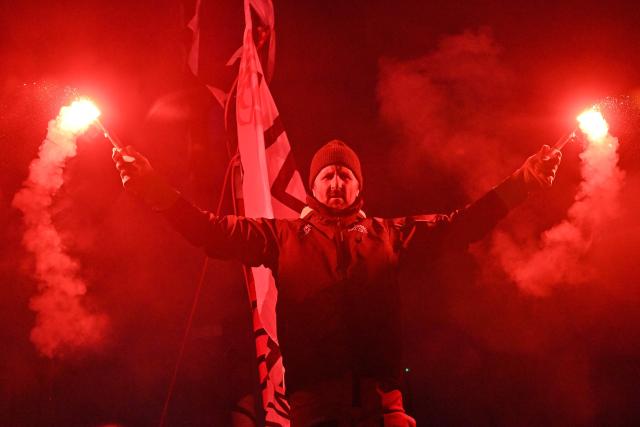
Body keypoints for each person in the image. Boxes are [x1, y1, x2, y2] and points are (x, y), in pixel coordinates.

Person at [113, 139, 561, 426]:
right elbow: (210, 230)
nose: (336, 182)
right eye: (327, 174)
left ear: (358, 188)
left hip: (382, 402)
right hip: (313, 405)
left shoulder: (390, 235)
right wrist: (152, 187)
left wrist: (524, 182)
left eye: (345, 175)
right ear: (313, 186)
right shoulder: (280, 237)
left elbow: (462, 225)